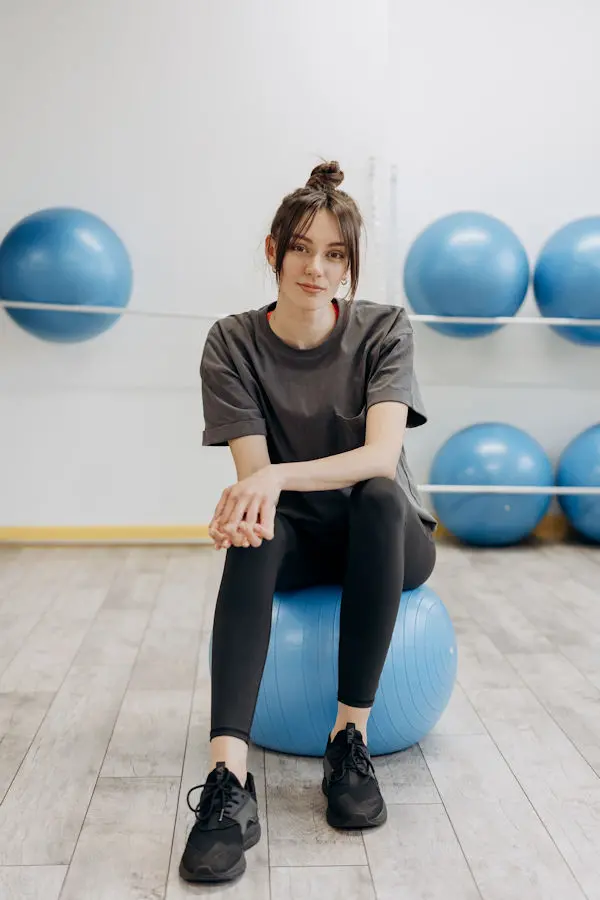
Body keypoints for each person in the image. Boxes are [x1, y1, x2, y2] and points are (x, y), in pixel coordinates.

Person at [179, 160, 437, 884]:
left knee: (380, 497)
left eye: (334, 254)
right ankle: (229, 783)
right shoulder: (230, 342)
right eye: (300, 248)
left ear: (350, 265)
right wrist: (255, 500)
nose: (315, 268)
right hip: (294, 538)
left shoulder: (384, 328)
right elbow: (254, 480)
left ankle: (347, 743)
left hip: (384, 537)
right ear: (272, 251)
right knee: (256, 530)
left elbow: (381, 458)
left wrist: (276, 479)